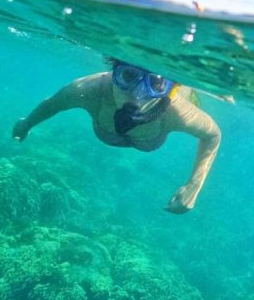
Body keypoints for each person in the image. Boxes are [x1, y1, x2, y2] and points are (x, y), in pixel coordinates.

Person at [12, 60, 221, 213]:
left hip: (157, 122)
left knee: (190, 98)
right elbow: (52, 104)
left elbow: (212, 135)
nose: (137, 94)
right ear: (114, 72)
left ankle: (188, 91)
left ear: (167, 89)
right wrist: (26, 124)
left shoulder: (176, 112)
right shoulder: (89, 90)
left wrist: (195, 185)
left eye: (156, 84)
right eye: (128, 76)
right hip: (144, 136)